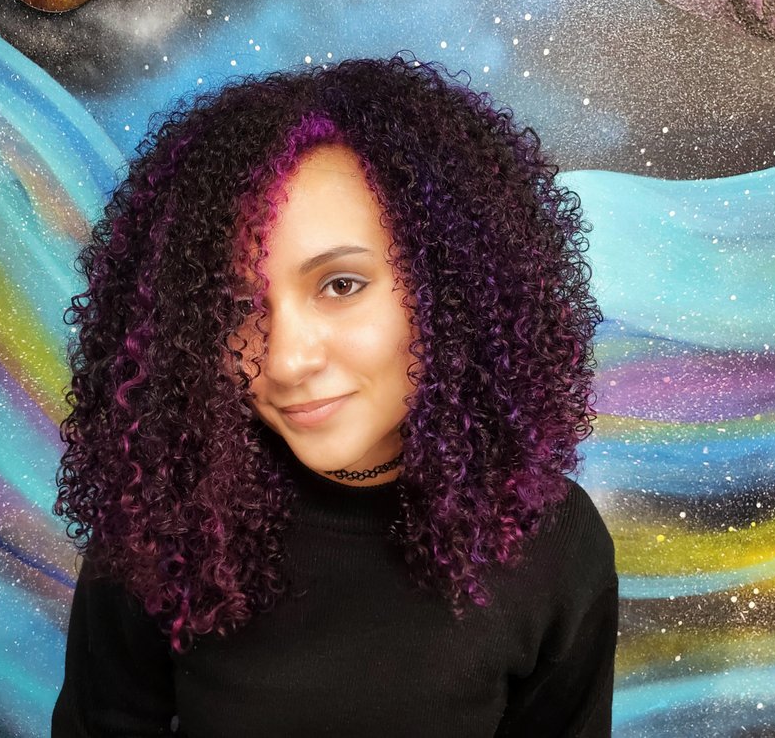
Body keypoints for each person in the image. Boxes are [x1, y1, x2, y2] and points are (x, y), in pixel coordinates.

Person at [51, 55, 616, 737]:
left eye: (341, 285)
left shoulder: (553, 540)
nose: (285, 361)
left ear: (453, 287)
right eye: (236, 308)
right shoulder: (167, 508)